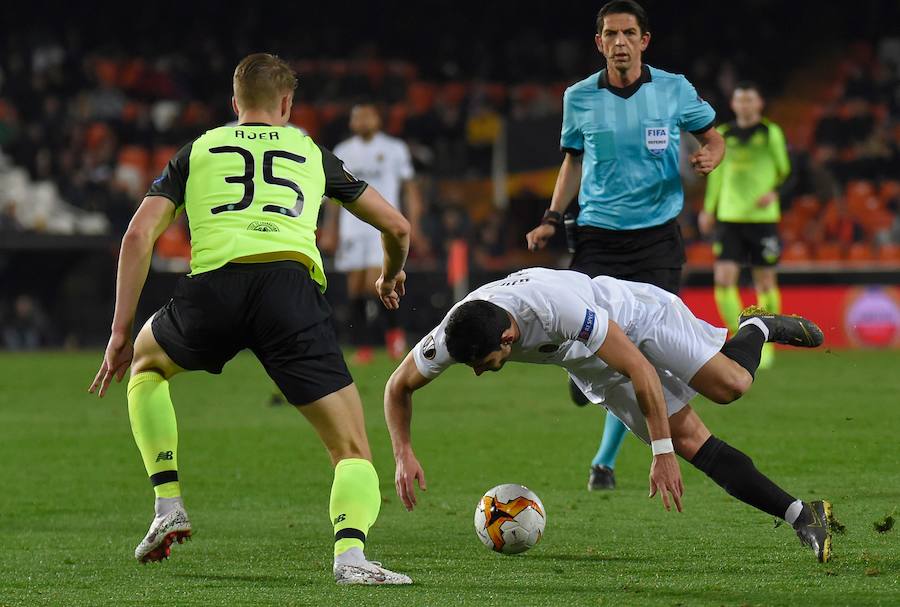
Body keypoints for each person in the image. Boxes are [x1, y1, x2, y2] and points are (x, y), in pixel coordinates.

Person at [88, 53, 412, 585]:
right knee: (351, 449)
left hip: (213, 289)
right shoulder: (309, 150)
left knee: (145, 366)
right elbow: (397, 227)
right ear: (287, 104)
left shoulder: (199, 149)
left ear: (234, 104)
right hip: (289, 292)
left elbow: (137, 237)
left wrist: (121, 332)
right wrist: (389, 275)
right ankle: (351, 558)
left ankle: (168, 503)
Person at [384, 267, 833, 563]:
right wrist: (403, 451)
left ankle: (758, 326)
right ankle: (802, 515)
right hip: (591, 366)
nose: (479, 372)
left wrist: (660, 452)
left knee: (730, 386)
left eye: (483, 361)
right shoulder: (455, 332)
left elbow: (637, 365)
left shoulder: (554, 309)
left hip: (639, 319)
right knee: (693, 442)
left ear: (507, 336)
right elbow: (397, 386)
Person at [525, 0, 726, 492]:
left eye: (628, 33)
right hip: (596, 235)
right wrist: (553, 217)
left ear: (643, 41)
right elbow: (572, 161)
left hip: (657, 236)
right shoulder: (579, 98)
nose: (619, 42)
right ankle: (600, 443)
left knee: (639, 354)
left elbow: (715, 138)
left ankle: (604, 462)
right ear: (599, 43)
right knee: (603, 348)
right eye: (610, 34)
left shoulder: (674, 89)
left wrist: (710, 156)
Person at [320, 103, 428, 364]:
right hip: (352, 227)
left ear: (378, 119)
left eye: (368, 115)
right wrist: (330, 230)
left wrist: (416, 225)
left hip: (382, 224)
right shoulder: (343, 151)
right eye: (357, 116)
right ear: (352, 122)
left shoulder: (394, 149)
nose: (363, 120)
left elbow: (410, 190)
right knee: (355, 287)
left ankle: (393, 336)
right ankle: (364, 345)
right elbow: (334, 197)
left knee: (376, 281)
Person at [699, 82, 791, 369]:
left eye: (750, 100)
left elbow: (786, 172)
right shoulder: (723, 135)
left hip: (763, 220)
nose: (745, 105)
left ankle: (767, 343)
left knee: (765, 281)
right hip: (729, 217)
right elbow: (716, 174)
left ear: (759, 103)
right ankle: (742, 338)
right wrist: (708, 207)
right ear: (734, 104)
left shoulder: (770, 133)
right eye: (740, 100)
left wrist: (775, 192)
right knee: (724, 280)